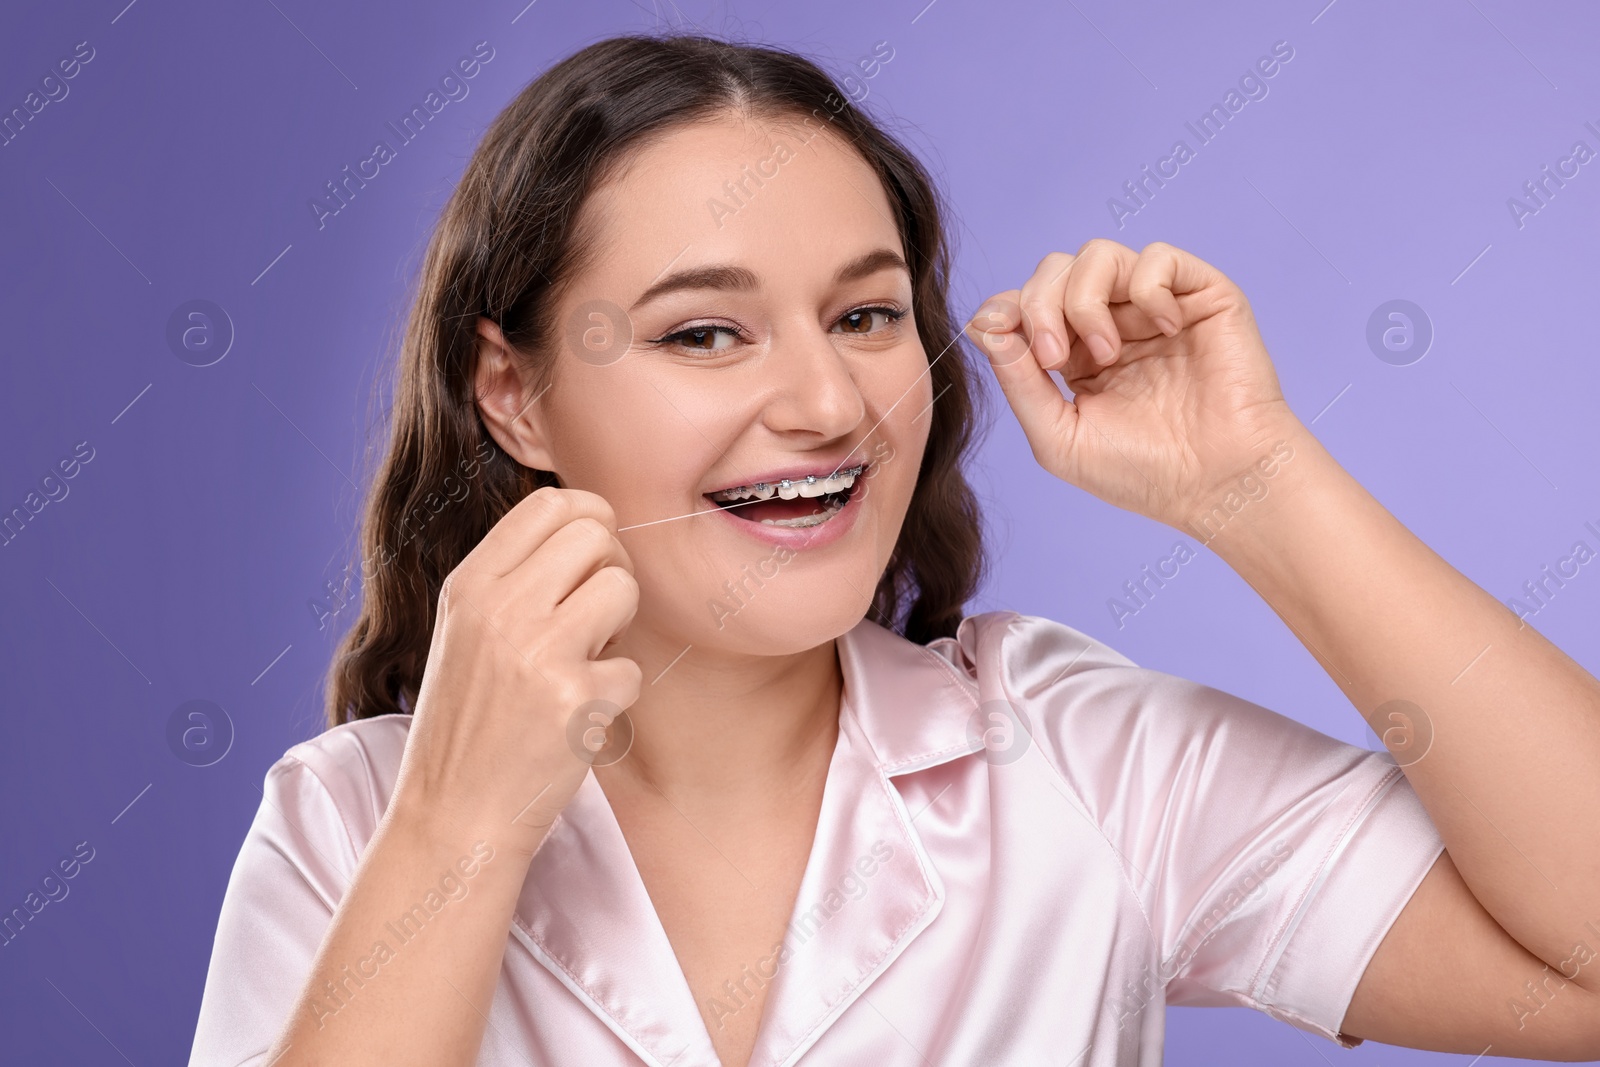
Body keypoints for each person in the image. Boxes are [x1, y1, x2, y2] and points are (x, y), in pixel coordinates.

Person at [187, 32, 1600, 1067]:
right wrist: (463, 828)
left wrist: (1257, 483)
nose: (824, 406)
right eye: (703, 332)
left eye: (865, 317)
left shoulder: (1080, 766)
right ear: (517, 394)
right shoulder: (353, 821)